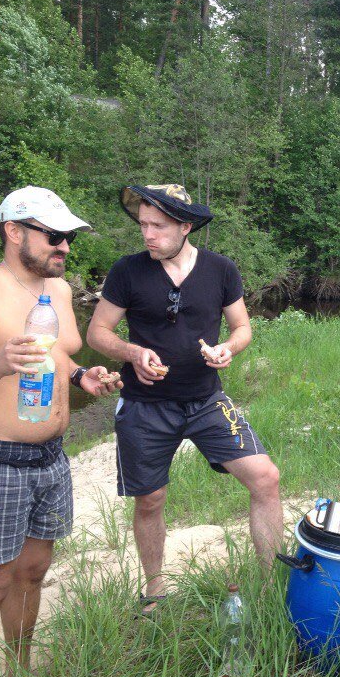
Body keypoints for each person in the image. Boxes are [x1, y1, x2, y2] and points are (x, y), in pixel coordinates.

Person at [0, 186, 121, 677]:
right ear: (14, 232)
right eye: (54, 236)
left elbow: (56, 354)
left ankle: (18, 676)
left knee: (32, 572)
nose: (64, 247)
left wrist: (83, 378)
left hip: (50, 457)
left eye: (68, 238)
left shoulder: (56, 290)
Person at [86, 184, 283, 616]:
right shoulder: (128, 271)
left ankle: (272, 584)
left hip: (207, 401)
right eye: (143, 225)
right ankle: (154, 591)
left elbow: (243, 327)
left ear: (185, 226)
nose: (147, 235)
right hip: (144, 406)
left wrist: (229, 348)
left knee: (265, 477)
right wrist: (132, 352)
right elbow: (97, 333)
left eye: (158, 226)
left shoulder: (220, 270)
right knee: (151, 500)